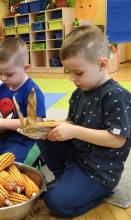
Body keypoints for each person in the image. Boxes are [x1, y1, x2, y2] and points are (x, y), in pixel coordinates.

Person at [36, 25, 131, 217]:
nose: (72, 78)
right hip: (78, 155)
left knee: (54, 203)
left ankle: (99, 194)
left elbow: (117, 139)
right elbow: (73, 123)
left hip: (100, 171)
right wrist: (62, 127)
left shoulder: (117, 96)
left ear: (102, 65)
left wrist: (74, 131)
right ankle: (65, 179)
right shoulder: (79, 92)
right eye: (69, 72)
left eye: (78, 73)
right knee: (41, 134)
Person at [0, 37, 46, 163]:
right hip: (1, 138)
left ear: (25, 68)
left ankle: (38, 159)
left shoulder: (32, 92)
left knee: (12, 168)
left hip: (25, 140)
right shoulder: (0, 90)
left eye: (9, 74)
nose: (3, 78)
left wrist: (2, 122)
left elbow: (34, 123)